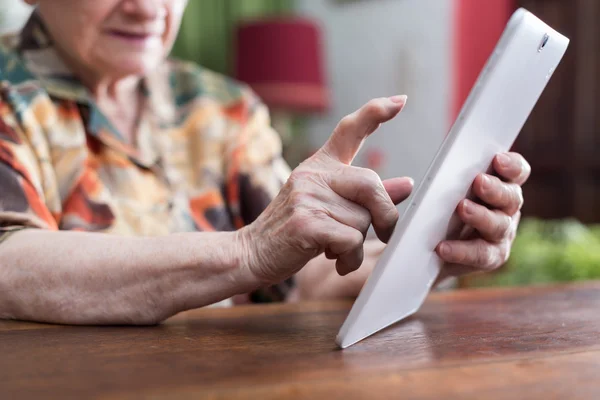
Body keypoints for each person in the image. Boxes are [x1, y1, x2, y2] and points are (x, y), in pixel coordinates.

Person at [0, 0, 529, 325]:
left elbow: (303, 280)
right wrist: (248, 250)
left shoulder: (223, 106)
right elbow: (9, 264)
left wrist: (434, 248)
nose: (147, 7)